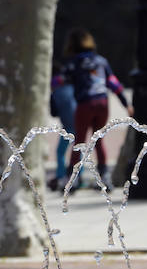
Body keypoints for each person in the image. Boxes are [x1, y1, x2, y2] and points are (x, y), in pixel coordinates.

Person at [53, 28, 132, 187]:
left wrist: (50, 85)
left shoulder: (75, 63)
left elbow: (60, 80)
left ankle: (72, 178)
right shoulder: (101, 61)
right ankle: (104, 176)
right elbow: (113, 83)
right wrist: (126, 103)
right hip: (102, 103)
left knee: (79, 142)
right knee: (99, 140)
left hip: (85, 104)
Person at [48, 61, 78, 191]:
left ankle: (60, 176)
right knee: (78, 150)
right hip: (79, 120)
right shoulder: (72, 85)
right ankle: (78, 177)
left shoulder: (54, 90)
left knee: (60, 152)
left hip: (68, 124)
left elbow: (53, 112)